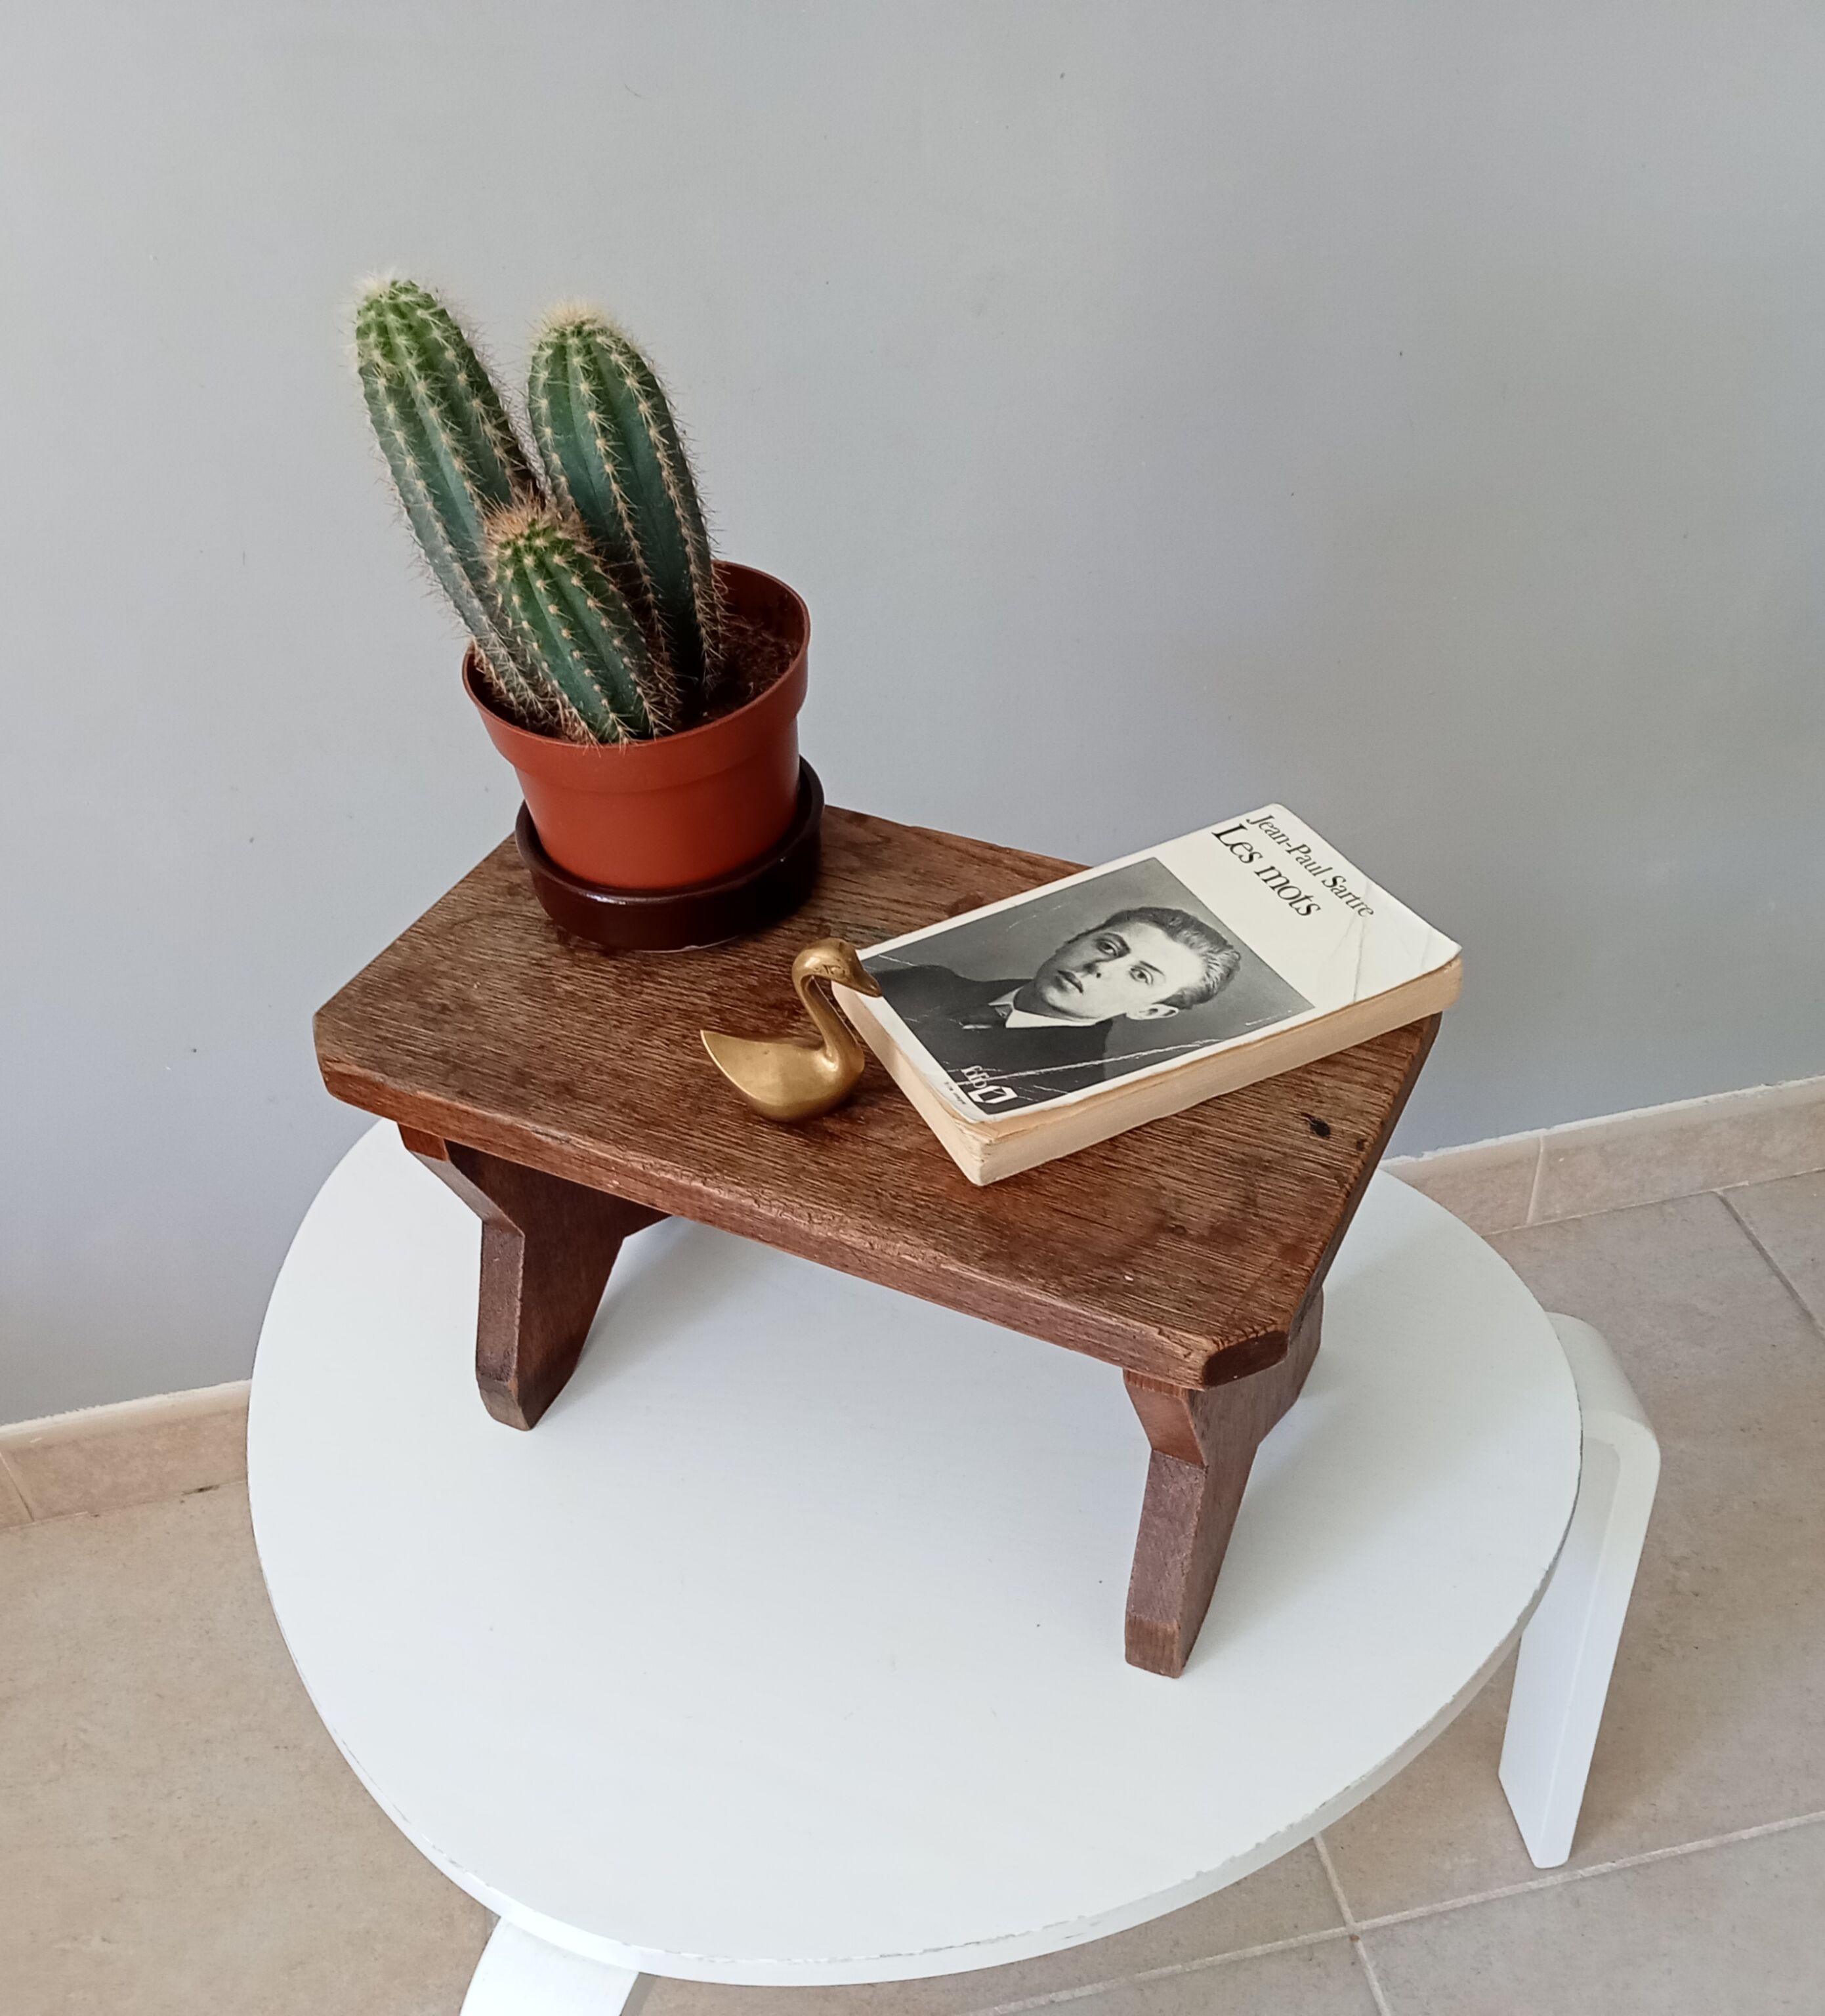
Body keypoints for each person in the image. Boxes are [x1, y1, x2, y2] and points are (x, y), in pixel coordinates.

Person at [876, 906, 1242, 1110]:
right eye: (1109, 948)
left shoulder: (1064, 1092)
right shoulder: (926, 981)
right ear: (1073, 941)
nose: (1100, 968)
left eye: (1141, 975)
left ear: (1151, 1012)